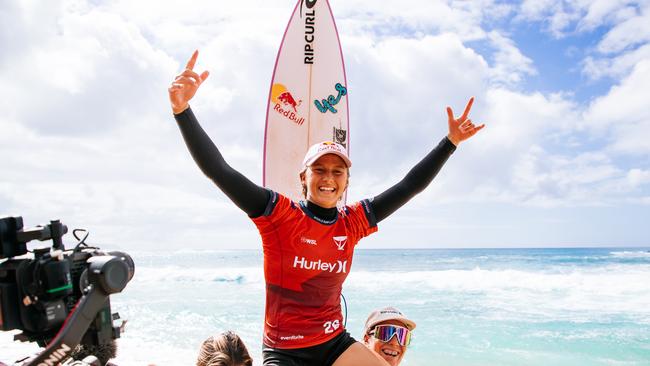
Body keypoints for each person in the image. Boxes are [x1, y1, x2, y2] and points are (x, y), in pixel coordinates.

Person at [168, 50, 484, 366]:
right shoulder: (278, 215)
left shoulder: (354, 221)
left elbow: (408, 186)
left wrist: (450, 142)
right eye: (319, 170)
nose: (328, 178)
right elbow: (219, 170)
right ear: (303, 177)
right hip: (284, 351)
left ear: (346, 182)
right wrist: (182, 110)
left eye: (337, 171)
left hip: (334, 344)